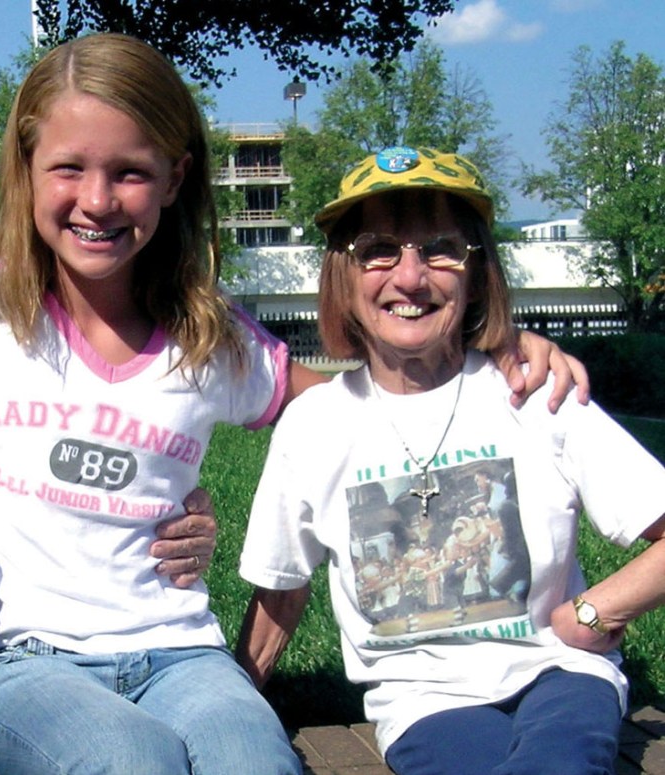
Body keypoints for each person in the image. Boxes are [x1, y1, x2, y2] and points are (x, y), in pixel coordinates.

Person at [0, 38, 584, 774]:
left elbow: (354, 397)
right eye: (68, 169)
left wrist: (490, 353)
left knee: (252, 761)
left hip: (185, 649)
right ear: (26, 171)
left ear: (177, 178)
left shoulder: (208, 336)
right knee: (126, 762)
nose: (96, 201)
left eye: (130, 172)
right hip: (28, 659)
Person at [235, 145, 665, 775]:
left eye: (440, 249)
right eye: (378, 250)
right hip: (423, 702)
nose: (409, 277)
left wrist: (595, 611)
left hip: (561, 673)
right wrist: (230, 711)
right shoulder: (315, 425)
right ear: (343, 279)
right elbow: (281, 590)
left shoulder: (535, 391)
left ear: (476, 273)